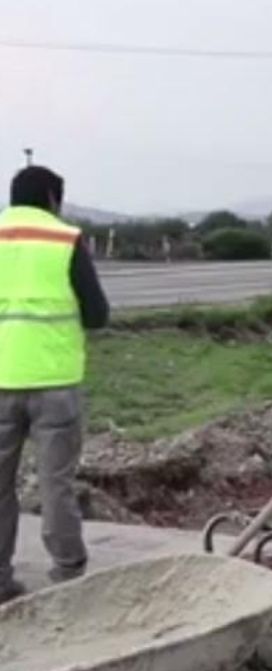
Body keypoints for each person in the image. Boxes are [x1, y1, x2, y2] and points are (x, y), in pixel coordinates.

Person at [0, 166, 110, 604]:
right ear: (51, 198)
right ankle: (68, 574)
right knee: (55, 485)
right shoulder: (64, 239)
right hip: (54, 384)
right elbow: (97, 315)